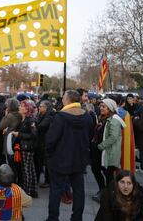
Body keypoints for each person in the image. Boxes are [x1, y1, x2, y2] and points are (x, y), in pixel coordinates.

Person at [45, 90, 93, 221]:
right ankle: (77, 218)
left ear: (68, 100)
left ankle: (53, 218)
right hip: (79, 159)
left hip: (60, 159)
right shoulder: (87, 116)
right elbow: (90, 136)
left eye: (64, 98)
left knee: (55, 191)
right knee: (78, 191)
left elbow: (50, 140)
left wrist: (50, 155)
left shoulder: (60, 117)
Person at [11, 100, 38, 198]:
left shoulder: (30, 120)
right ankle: (32, 190)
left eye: (22, 106)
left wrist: (19, 134)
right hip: (23, 147)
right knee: (29, 169)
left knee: (27, 170)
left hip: (27, 148)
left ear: (27, 109)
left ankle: (27, 192)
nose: (19, 107)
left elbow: (34, 135)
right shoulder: (23, 119)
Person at [97, 98, 126, 185]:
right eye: (100, 106)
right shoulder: (105, 118)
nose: (101, 108)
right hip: (107, 152)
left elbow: (113, 137)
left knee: (109, 177)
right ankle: (107, 194)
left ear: (110, 108)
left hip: (110, 152)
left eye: (104, 107)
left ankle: (110, 196)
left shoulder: (114, 120)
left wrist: (100, 146)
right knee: (107, 175)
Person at [35, 100, 54, 188]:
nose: (39, 107)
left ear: (45, 107)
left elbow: (41, 126)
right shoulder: (41, 114)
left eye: (41, 106)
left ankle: (48, 181)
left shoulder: (50, 115)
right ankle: (38, 178)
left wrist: (35, 125)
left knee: (47, 162)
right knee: (39, 161)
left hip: (46, 142)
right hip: (40, 142)